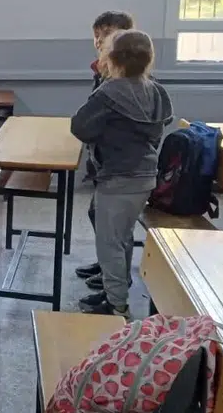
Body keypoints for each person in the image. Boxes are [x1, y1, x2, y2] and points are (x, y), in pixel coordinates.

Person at [69, 30, 173, 318]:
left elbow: (80, 126)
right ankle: (116, 290)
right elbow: (160, 129)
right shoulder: (154, 90)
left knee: (109, 243)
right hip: (145, 174)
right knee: (123, 236)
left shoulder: (109, 93)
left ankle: (116, 306)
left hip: (117, 177)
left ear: (112, 59)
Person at [75, 10, 136, 289]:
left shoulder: (129, 78)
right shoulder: (103, 72)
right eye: (97, 36)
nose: (99, 41)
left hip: (123, 164)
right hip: (105, 162)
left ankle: (118, 280)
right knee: (98, 214)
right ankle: (107, 266)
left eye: (107, 35)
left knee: (117, 227)